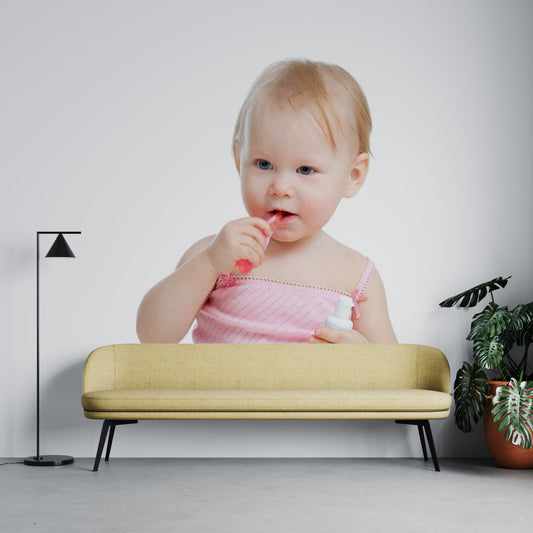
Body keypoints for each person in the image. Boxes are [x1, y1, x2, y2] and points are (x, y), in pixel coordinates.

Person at [137, 58, 397, 344]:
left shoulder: (356, 276)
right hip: (221, 391)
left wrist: (362, 357)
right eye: (263, 164)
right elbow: (152, 337)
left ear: (353, 175)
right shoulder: (215, 255)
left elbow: (391, 374)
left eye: (305, 170)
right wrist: (208, 264)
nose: (281, 187)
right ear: (239, 159)